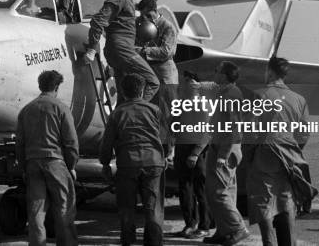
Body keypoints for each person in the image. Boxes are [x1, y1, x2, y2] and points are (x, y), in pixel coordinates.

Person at [245, 56, 315, 246]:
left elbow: (250, 130)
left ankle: (269, 242)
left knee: (263, 201)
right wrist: (294, 150)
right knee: (286, 201)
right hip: (290, 153)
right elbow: (304, 133)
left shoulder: (259, 95)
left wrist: (249, 154)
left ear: (270, 71)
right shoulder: (299, 99)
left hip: (265, 151)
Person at [99, 73, 169, 246]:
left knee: (126, 210)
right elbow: (166, 137)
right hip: (153, 163)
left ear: (123, 91)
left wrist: (105, 163)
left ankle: (128, 243)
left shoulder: (117, 113)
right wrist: (165, 156)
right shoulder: (155, 110)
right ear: (143, 90)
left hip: (127, 164)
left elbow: (107, 143)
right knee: (153, 209)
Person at [15, 70, 79, 246]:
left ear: (40, 86)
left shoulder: (26, 110)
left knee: (36, 211)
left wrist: (24, 168)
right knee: (64, 209)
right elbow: (71, 142)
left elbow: (19, 144)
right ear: (57, 87)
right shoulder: (61, 108)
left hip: (32, 164)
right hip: (55, 163)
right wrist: (71, 165)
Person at [84, 0, 159, 104]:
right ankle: (135, 110)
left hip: (119, 50)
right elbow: (99, 20)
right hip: (121, 50)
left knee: (123, 95)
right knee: (153, 81)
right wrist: (93, 47)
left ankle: (121, 118)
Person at [202, 61, 250, 246]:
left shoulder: (231, 95)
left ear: (224, 75)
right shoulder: (226, 93)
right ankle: (223, 231)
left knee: (218, 192)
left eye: (216, 70)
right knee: (227, 191)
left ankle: (237, 228)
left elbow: (232, 128)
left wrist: (223, 154)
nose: (214, 73)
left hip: (225, 149)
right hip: (223, 147)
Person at [171, 70, 215, 239]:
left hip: (198, 153)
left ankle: (204, 225)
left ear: (196, 84)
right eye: (183, 81)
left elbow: (207, 132)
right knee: (184, 189)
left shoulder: (203, 104)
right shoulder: (181, 104)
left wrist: (195, 154)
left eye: (188, 81)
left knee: (200, 189)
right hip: (182, 150)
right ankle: (190, 224)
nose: (184, 84)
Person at [135, 0, 178, 152]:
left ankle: (170, 151)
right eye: (142, 15)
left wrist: (143, 51)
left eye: (147, 15)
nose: (144, 18)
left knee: (167, 112)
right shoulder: (140, 24)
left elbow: (167, 51)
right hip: (148, 73)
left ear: (155, 11)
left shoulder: (167, 27)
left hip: (165, 74)